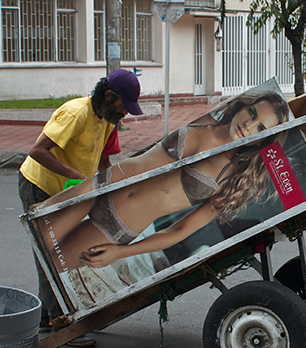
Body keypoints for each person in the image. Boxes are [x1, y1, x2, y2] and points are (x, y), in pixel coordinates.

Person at [37, 91, 290, 275]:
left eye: (260, 129)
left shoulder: (231, 180)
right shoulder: (206, 120)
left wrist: (121, 252)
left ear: (262, 141)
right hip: (101, 187)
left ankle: (43, 322)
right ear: (245, 105)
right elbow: (143, 161)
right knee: (39, 240)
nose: (248, 125)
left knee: (54, 269)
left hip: (115, 225)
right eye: (253, 113)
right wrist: (85, 187)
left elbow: (177, 231)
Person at [18, 69, 143, 346]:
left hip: (71, 192)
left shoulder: (109, 122)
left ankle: (46, 316)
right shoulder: (75, 113)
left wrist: (109, 190)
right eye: (124, 107)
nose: (125, 114)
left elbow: (104, 161)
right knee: (52, 253)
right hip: (40, 185)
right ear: (109, 96)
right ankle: (60, 322)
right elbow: (37, 151)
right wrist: (73, 174)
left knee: (61, 250)